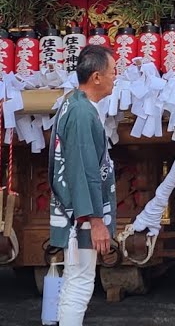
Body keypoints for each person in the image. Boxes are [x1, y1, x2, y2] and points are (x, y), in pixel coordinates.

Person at [48, 44, 119, 326]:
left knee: (74, 279)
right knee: (80, 281)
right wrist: (95, 220)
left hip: (77, 208)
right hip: (82, 212)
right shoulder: (81, 113)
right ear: (97, 77)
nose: (116, 77)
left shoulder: (74, 103)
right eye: (113, 72)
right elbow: (83, 171)